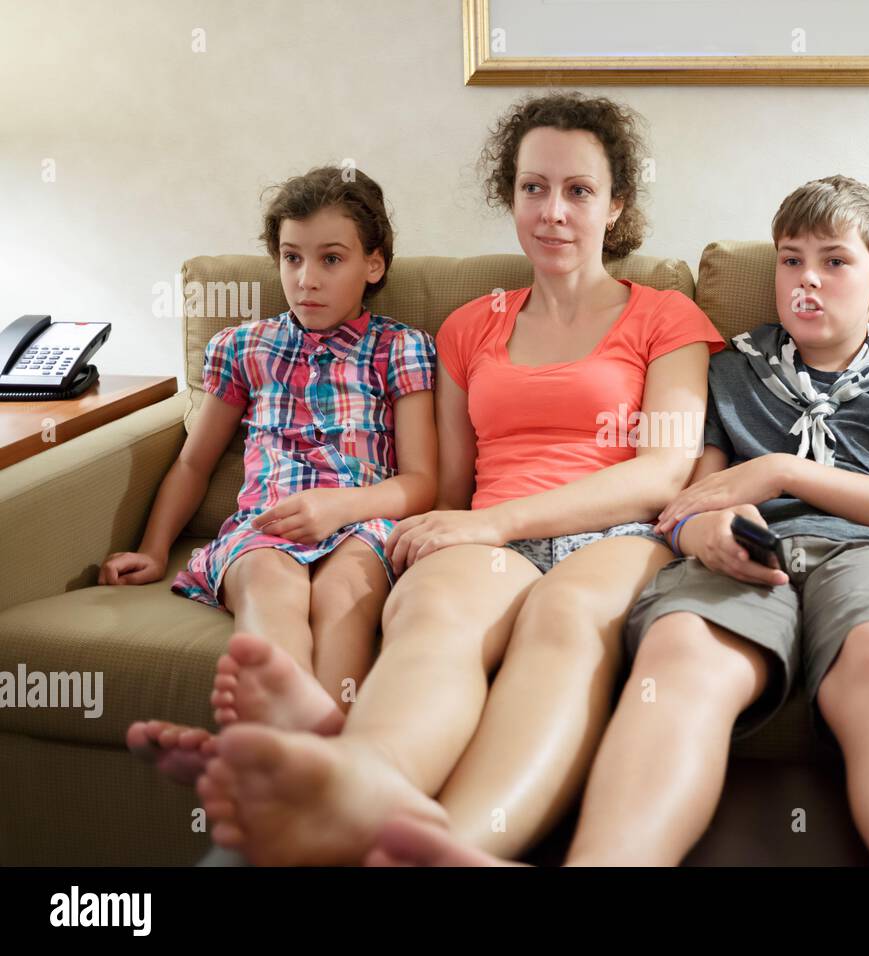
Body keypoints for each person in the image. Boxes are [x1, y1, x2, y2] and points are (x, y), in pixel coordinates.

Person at [364, 174, 869, 868]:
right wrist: (705, 529)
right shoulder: (734, 369)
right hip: (741, 555)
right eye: (790, 259)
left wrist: (781, 470)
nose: (808, 279)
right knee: (681, 651)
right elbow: (682, 501)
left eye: (834, 261)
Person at [194, 92, 726, 866]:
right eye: (533, 188)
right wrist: (462, 527)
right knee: (434, 617)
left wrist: (494, 524)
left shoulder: (665, 315)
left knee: (564, 621)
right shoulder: (468, 326)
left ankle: (453, 849)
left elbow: (663, 470)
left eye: (578, 191)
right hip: (484, 531)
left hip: (618, 531)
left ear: (616, 207)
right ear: (509, 197)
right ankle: (347, 795)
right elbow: (447, 483)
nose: (553, 212)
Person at [106, 166, 436, 783]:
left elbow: (421, 482)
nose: (306, 280)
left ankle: (331, 768)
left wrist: (341, 508)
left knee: (345, 596)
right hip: (266, 526)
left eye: (331, 259)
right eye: (291, 258)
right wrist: (154, 549)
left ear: (374, 264)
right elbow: (192, 461)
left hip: (362, 522)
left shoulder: (402, 349)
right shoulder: (244, 347)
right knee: (268, 582)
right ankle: (288, 759)